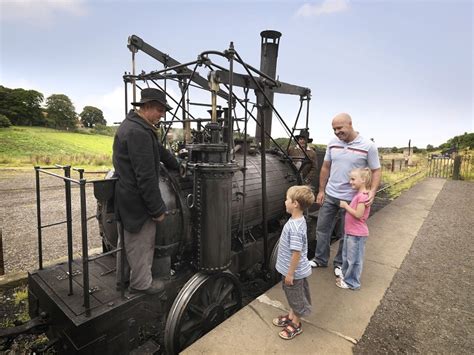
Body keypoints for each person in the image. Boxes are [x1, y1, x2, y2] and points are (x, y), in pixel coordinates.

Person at [113, 88, 179, 295]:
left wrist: (175, 163)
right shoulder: (138, 132)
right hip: (137, 200)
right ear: (147, 106)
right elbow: (146, 177)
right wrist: (157, 209)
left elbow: (159, 150)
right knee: (141, 242)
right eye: (160, 110)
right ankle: (141, 284)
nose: (162, 114)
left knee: (126, 241)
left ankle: (122, 279)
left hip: (125, 196)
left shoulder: (137, 126)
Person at [309, 113, 381, 278]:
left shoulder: (368, 146)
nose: (336, 132)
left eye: (340, 128)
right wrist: (321, 190)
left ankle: (339, 264)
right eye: (334, 129)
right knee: (322, 229)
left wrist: (372, 191)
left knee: (345, 233)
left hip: (351, 199)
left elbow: (376, 170)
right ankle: (320, 259)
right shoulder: (333, 143)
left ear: (350, 124)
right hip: (331, 194)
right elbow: (326, 167)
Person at [273, 185, 315, 340]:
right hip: (291, 270)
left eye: (287, 199)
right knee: (292, 295)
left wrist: (290, 273)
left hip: (294, 272)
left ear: (295, 203)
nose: (285, 202)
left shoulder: (296, 227)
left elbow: (296, 253)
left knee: (297, 297)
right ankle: (291, 316)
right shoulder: (296, 220)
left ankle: (296, 324)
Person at [337, 168, 372, 290]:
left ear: (363, 180)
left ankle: (352, 283)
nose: (350, 181)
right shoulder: (359, 195)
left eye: (353, 179)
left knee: (354, 260)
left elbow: (358, 215)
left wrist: (346, 206)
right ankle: (346, 277)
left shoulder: (362, 197)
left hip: (357, 234)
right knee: (347, 256)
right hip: (351, 232)